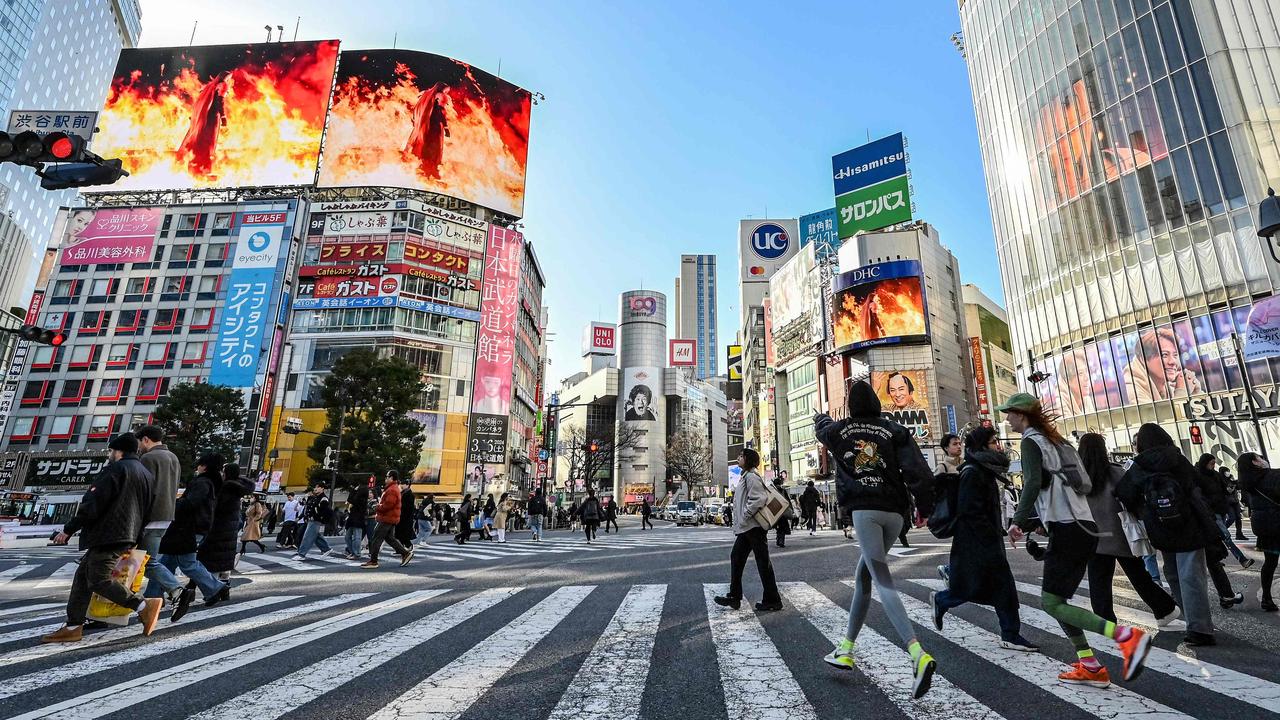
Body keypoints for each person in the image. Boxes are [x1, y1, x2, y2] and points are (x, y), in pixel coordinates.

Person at [1004, 393, 1151, 686]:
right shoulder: (1059, 443)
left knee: (1051, 603)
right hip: (1082, 527)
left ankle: (1127, 637)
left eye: (1009, 413)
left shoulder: (1031, 442)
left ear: (1021, 415)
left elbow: (1032, 482)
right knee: (1057, 600)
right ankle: (1090, 664)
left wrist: (1018, 522)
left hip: (1069, 528)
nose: (1006, 418)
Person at [815, 380, 936, 699]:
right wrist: (925, 507)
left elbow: (824, 430)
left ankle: (917, 654)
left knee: (881, 580)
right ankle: (845, 648)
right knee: (864, 577)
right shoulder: (895, 429)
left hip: (864, 510)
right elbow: (918, 471)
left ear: (851, 407)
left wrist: (820, 419)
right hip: (895, 513)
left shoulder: (840, 431)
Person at [43, 433, 163, 642]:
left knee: (99, 579)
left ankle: (143, 605)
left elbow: (93, 503)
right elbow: (149, 509)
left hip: (108, 533)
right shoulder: (146, 474)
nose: (109, 454)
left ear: (118, 451)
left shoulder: (115, 470)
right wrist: (137, 535)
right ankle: (73, 626)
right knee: (83, 577)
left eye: (110, 451)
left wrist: (69, 529)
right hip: (128, 533)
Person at [929, 427, 1038, 651]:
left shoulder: (982, 469)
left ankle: (1009, 633)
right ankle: (943, 600)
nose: (998, 446)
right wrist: (991, 533)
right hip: (975, 541)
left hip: (985, 539)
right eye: (993, 442)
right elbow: (969, 510)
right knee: (984, 586)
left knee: (996, 587)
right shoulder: (972, 471)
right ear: (981, 446)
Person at [1116, 424, 1217, 645]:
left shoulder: (1139, 464)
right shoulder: (1177, 459)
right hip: (1189, 524)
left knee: (1173, 574)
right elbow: (1201, 485)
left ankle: (1191, 620)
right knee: (1192, 576)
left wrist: (1146, 510)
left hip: (1160, 526)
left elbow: (1124, 493)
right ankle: (1199, 628)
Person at [1077, 433, 1179, 626]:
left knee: (1099, 582)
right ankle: (1164, 608)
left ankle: (1105, 620)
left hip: (1093, 536)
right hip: (1121, 533)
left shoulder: (1077, 478)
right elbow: (1133, 498)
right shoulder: (1116, 472)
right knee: (1139, 575)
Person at [154, 453, 229, 612]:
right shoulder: (212, 482)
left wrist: (174, 504)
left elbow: (191, 503)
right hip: (193, 527)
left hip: (188, 528)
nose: (197, 467)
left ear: (205, 466)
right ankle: (153, 595)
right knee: (166, 562)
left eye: (200, 464)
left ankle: (215, 588)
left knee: (186, 563)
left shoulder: (202, 483)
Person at [714, 449, 783, 614]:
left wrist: (745, 515)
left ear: (748, 460)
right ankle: (735, 596)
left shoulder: (751, 477)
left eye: (741, 456)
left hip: (753, 528)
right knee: (737, 558)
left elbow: (758, 499)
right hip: (748, 528)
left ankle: (772, 600)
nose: (738, 458)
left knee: (762, 563)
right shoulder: (746, 476)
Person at [135, 425, 185, 611]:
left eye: (139, 442)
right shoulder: (172, 457)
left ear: (145, 439)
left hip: (149, 515)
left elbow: (143, 489)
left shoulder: (148, 458)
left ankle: (176, 588)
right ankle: (157, 595)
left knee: (145, 560)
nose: (139, 446)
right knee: (147, 559)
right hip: (166, 514)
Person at [1236, 453, 1279, 611]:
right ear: (1255, 462)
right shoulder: (1273, 475)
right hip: (1278, 521)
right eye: (1259, 458)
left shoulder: (1247, 483)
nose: (1263, 460)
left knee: (1270, 562)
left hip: (1264, 527)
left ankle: (1266, 597)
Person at [1196, 454, 1253, 568]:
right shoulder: (1198, 477)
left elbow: (1224, 488)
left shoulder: (1215, 475)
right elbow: (1199, 496)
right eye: (1211, 463)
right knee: (1226, 536)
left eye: (1214, 463)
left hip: (1221, 509)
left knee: (1218, 535)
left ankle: (1214, 559)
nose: (1213, 466)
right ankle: (1242, 559)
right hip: (1211, 512)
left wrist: (1231, 487)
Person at [199, 463, 252, 584]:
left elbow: (217, 507)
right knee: (225, 557)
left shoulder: (226, 488)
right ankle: (224, 584)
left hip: (219, 527)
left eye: (223, 471)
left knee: (213, 559)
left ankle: (213, 588)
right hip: (231, 527)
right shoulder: (237, 489)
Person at [1124, 327, 1203, 402]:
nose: (1173, 362)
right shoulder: (1132, 389)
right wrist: (1181, 392)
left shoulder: (1170, 385)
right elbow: (1152, 415)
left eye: (1175, 355)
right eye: (1164, 355)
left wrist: (1195, 393)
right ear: (1143, 359)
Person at [178, 70, 230, 176]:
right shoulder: (223, 85)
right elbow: (220, 102)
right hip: (212, 118)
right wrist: (223, 117)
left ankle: (195, 168)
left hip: (205, 117)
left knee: (199, 141)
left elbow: (201, 101)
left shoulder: (210, 85)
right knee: (208, 143)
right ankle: (204, 169)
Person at [364, 471, 414, 568]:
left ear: (391, 478)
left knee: (376, 538)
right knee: (390, 539)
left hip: (386, 517)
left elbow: (388, 505)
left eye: (387, 477)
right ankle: (405, 553)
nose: (385, 478)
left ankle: (373, 561)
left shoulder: (391, 489)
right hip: (390, 517)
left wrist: (377, 507)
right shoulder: (394, 488)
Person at [405, 81, 450, 179]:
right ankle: (430, 169)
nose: (446, 93)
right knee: (433, 148)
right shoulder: (440, 96)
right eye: (446, 91)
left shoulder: (426, 94)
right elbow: (441, 112)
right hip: (435, 126)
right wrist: (446, 127)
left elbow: (418, 108)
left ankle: (421, 165)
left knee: (424, 145)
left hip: (426, 125)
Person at [291, 485, 334, 560]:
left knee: (307, 537)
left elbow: (324, 511)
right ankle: (326, 549)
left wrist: (317, 517)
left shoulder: (323, 498)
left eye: (318, 487)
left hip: (316, 520)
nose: (315, 489)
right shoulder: (315, 497)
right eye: (315, 487)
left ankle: (301, 554)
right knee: (316, 536)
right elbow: (310, 509)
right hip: (310, 520)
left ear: (322, 489)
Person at [343, 484, 368, 560]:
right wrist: (354, 491)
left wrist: (353, 491)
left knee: (357, 537)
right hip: (352, 519)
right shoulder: (358, 497)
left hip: (358, 519)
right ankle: (353, 552)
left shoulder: (362, 499)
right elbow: (350, 500)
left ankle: (356, 553)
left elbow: (351, 500)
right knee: (347, 537)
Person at [395, 479, 417, 548]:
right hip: (402, 517)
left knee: (404, 535)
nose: (401, 485)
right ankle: (401, 548)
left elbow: (408, 507)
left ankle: (409, 546)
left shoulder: (409, 494)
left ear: (407, 485)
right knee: (399, 534)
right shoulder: (403, 493)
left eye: (403, 484)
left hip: (406, 518)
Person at [774, 477, 792, 547]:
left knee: (778, 527)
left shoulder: (772, 491)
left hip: (774, 512)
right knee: (782, 527)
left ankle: (779, 538)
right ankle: (781, 540)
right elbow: (788, 501)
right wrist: (791, 509)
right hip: (783, 512)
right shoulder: (783, 491)